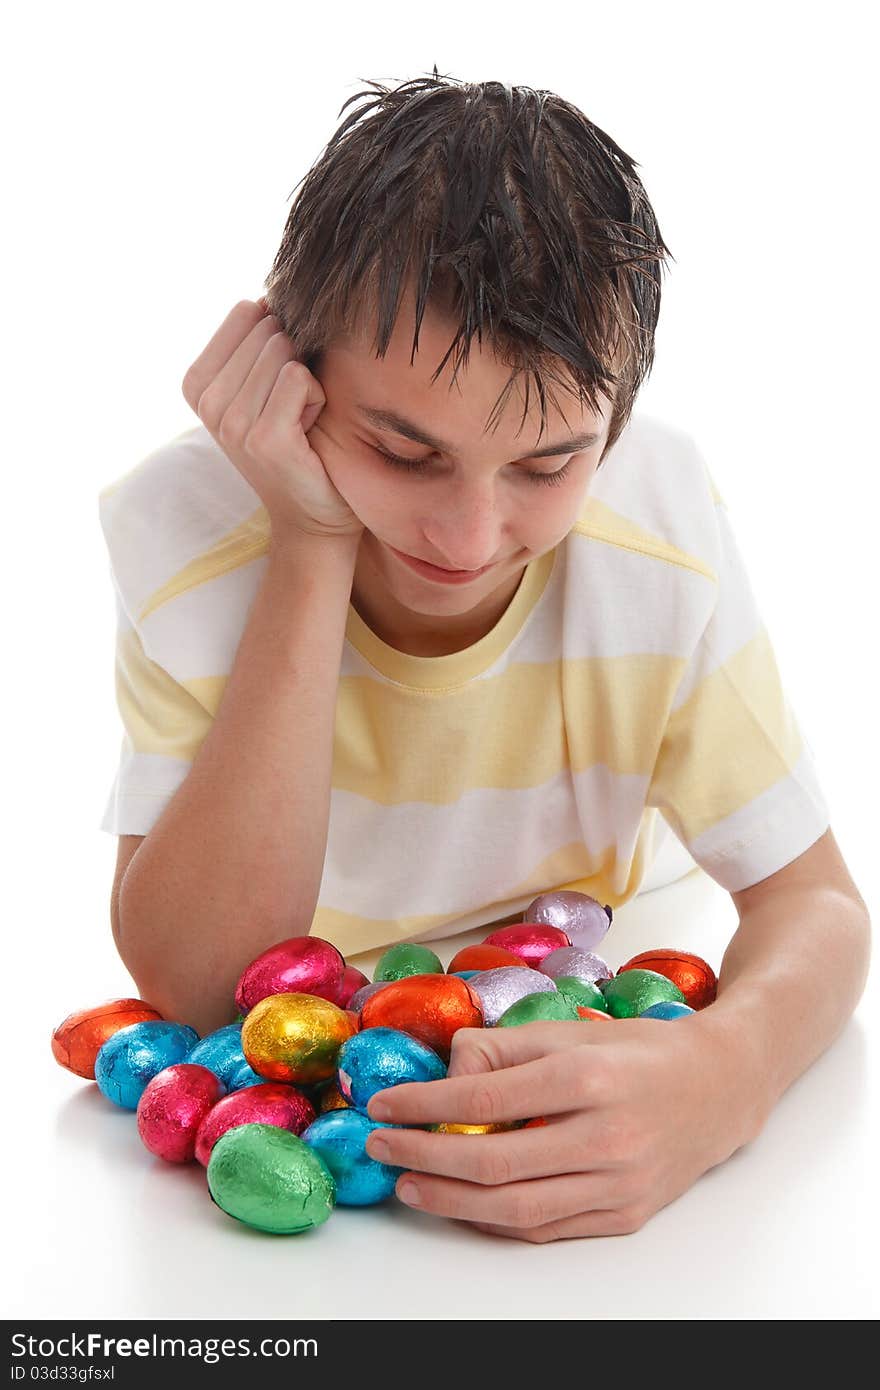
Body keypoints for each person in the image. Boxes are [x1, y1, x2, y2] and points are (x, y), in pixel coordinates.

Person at [98, 72, 870, 1241]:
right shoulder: (192, 539)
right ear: (292, 384)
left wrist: (728, 1076)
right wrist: (310, 543)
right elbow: (203, 986)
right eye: (403, 453)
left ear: (611, 433)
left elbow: (816, 901)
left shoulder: (654, 535)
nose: (465, 537)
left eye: (547, 467)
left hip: (577, 963)